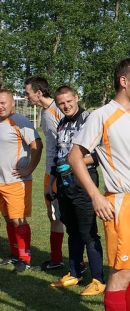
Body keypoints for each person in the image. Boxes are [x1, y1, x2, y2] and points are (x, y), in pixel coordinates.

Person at [68, 58, 130, 311]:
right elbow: (75, 157)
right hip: (121, 202)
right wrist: (96, 196)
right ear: (123, 81)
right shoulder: (102, 115)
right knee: (121, 273)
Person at [46, 86, 105, 295]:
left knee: (88, 232)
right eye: (61, 103)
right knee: (72, 230)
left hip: (84, 181)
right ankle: (75, 272)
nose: (66, 106)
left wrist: (74, 164)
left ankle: (98, 279)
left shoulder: (90, 119)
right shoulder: (62, 123)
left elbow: (100, 155)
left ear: (76, 98)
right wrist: (50, 182)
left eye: (69, 101)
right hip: (64, 184)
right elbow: (58, 156)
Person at [24, 76, 66, 270]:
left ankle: (59, 260)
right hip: (51, 172)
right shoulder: (45, 111)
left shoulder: (56, 111)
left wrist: (56, 174)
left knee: (58, 215)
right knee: (53, 216)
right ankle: (57, 259)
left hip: (56, 173)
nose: (26, 97)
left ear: (39, 93)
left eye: (28, 93)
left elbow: (64, 145)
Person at [0, 89, 43, 272]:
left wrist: (29, 168)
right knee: (8, 219)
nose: (0, 106)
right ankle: (14, 253)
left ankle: (25, 258)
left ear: (12, 103)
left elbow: (37, 145)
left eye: (3, 102)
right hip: (1, 181)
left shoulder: (19, 121)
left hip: (16, 181)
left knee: (19, 220)